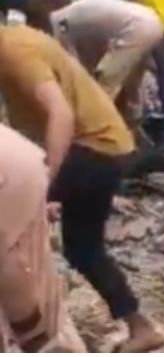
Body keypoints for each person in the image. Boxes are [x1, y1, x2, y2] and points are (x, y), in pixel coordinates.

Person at [0, 23, 164, 352]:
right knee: (82, 248)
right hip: (105, 145)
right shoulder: (18, 37)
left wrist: (46, 183)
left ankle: (38, 328)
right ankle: (141, 326)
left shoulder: (12, 51)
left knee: (14, 232)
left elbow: (61, 114)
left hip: (94, 148)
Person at [0, 124, 86, 352]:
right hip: (15, 160)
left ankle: (46, 343)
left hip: (11, 174)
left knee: (12, 263)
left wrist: (35, 339)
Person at [50, 0, 163, 123]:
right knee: (132, 87)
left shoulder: (58, 25)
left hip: (136, 27)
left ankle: (95, 130)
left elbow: (74, 70)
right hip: (150, 20)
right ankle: (133, 128)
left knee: (104, 84)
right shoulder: (70, 16)